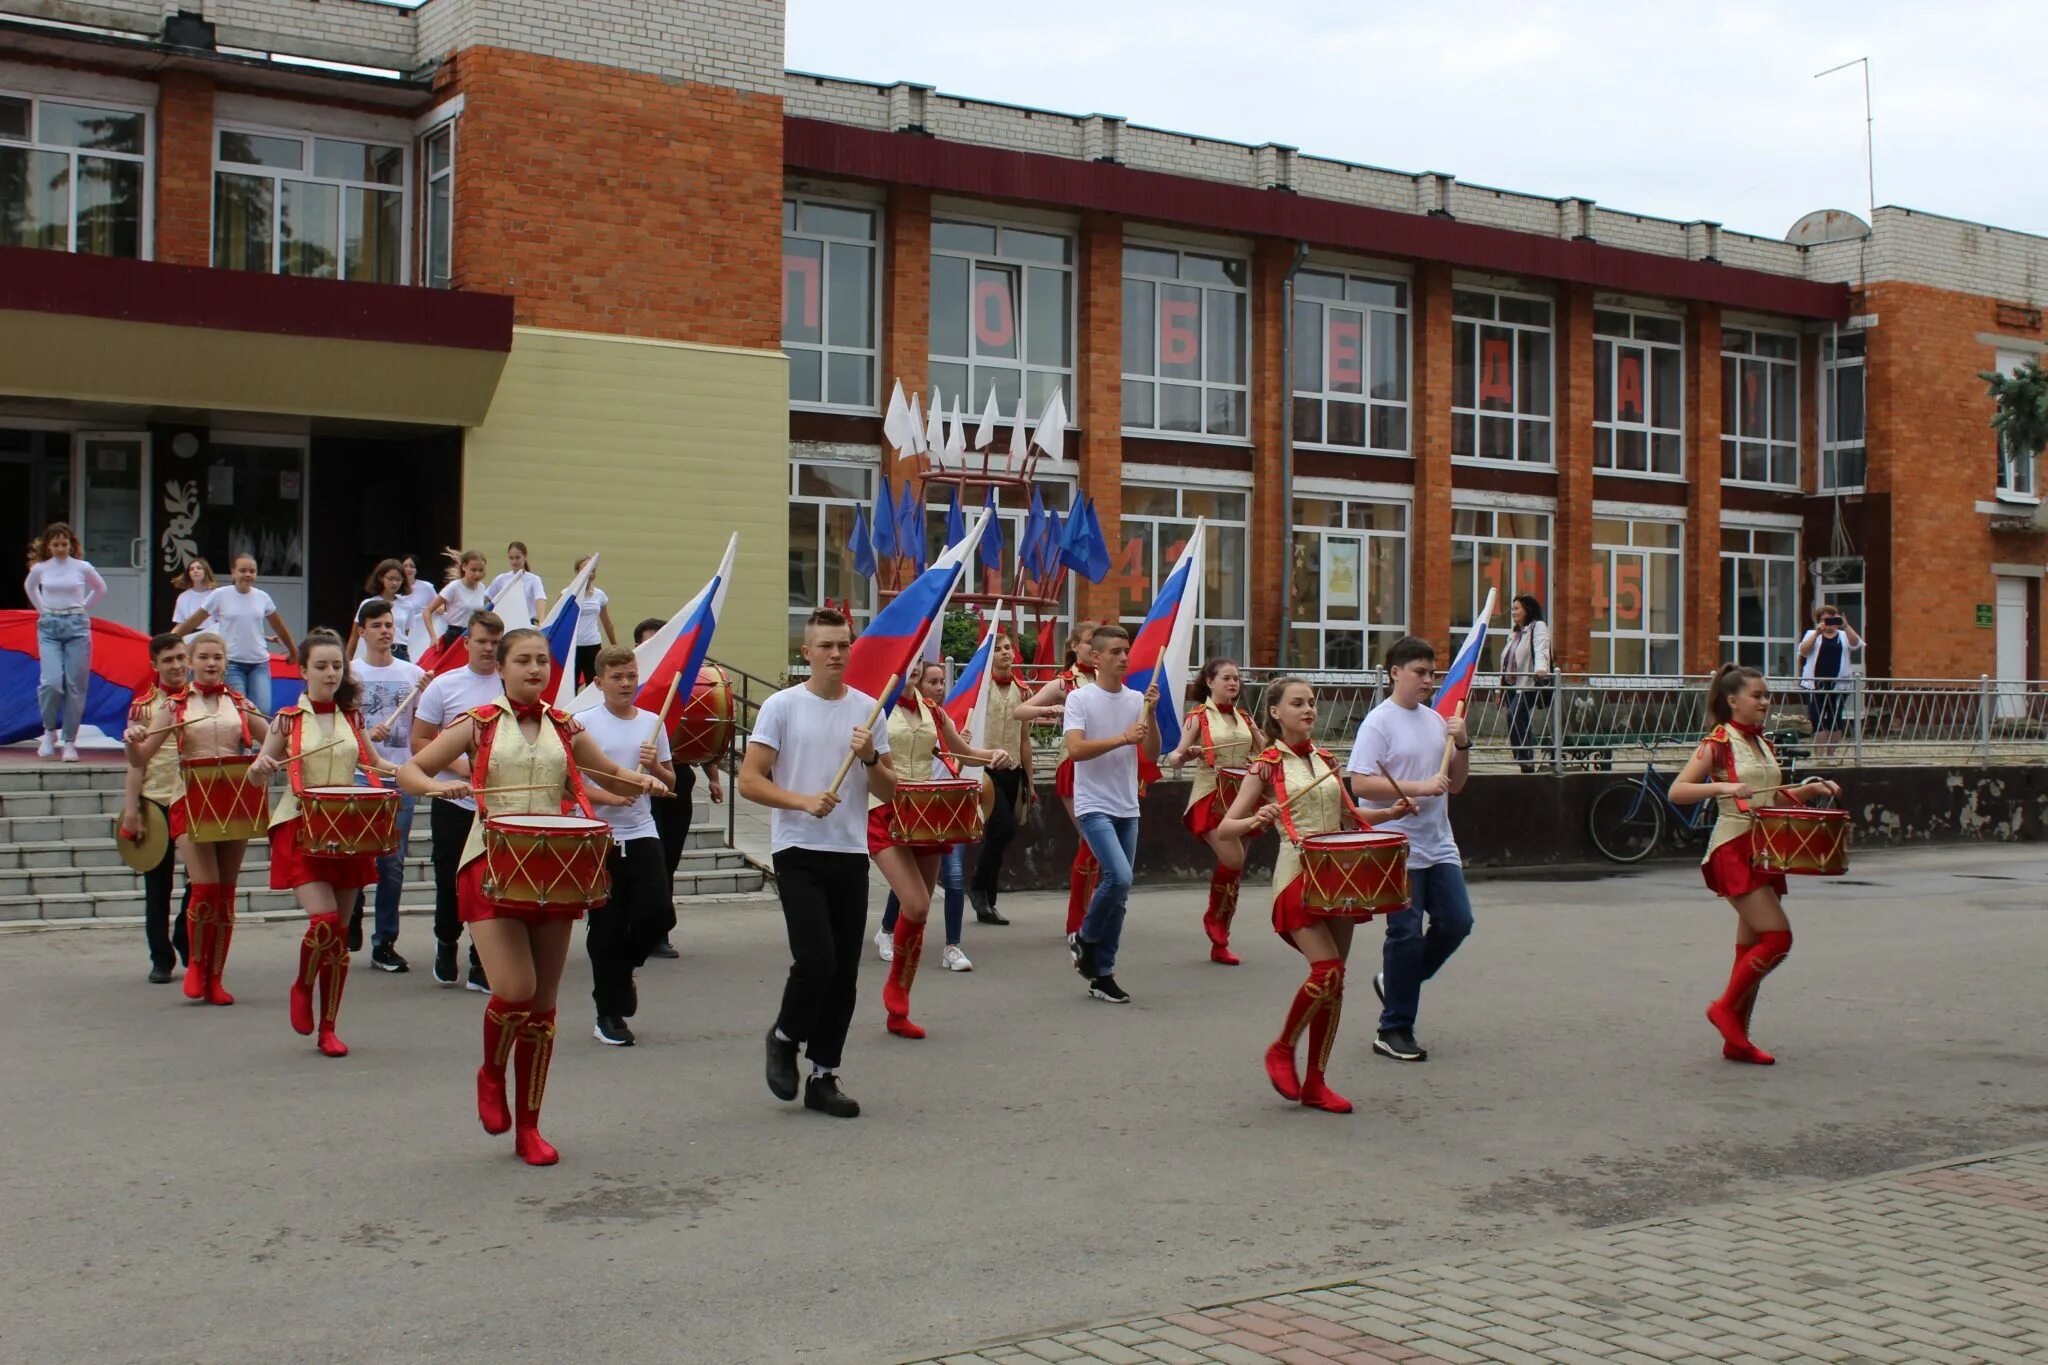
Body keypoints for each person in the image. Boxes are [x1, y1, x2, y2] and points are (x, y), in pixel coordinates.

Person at [399, 627, 667, 1164]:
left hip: (554, 871)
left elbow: (604, 774)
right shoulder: (475, 724)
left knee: (543, 1009)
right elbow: (412, 768)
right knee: (516, 990)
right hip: (490, 864)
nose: (534, 669)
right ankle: (491, 1073)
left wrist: (643, 781)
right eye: (522, 660)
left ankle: (530, 1127)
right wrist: (436, 787)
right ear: (500, 667)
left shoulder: (566, 727)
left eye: (542, 661)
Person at [1217, 677, 1416, 1113]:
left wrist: (1389, 813)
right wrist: (1257, 818)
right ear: (1274, 712)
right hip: (1297, 876)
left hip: (1337, 877)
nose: (1308, 710)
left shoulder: (1327, 760)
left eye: (1311, 703)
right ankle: (1282, 1048)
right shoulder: (1265, 765)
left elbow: (1349, 814)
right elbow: (1225, 827)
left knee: (1335, 982)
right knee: (1325, 971)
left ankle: (1316, 1083)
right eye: (1297, 703)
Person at [742, 607, 891, 1119]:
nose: (834, 654)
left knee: (844, 972)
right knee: (817, 959)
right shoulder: (782, 707)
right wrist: (801, 800)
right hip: (798, 848)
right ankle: (785, 1036)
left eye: (842, 645)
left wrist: (871, 757)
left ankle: (824, 1075)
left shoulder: (869, 710)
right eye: (824, 646)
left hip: (849, 851)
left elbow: (890, 790)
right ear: (805, 653)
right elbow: (750, 780)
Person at [1670, 665, 1841, 1065]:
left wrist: (1810, 788)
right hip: (1733, 846)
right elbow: (1678, 791)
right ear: (1733, 700)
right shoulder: (1717, 742)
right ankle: (1725, 1009)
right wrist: (1723, 786)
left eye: (1767, 695)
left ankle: (1737, 1039)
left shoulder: (1763, 743)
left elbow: (1771, 797)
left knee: (1749, 948)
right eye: (1757, 695)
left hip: (1764, 848)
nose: (1765, 701)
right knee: (1777, 939)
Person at [247, 631, 399, 1059]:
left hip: (347, 830)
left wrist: (421, 776)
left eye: (337, 666)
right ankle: (302, 984)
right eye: (321, 666)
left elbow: (375, 764)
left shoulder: (353, 718)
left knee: (338, 938)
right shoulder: (286, 720)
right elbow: (258, 774)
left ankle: (329, 1026)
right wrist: (260, 766)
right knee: (325, 923)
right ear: (303, 671)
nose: (331, 673)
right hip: (300, 825)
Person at [1345, 635, 1473, 1064]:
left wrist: (1464, 744)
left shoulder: (1438, 721)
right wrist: (1418, 787)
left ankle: (1397, 981)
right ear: (1395, 673)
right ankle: (1394, 1027)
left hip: (1439, 842)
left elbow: (1457, 784)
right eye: (1420, 672)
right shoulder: (1378, 723)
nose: (1428, 681)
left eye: (1432, 673)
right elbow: (1359, 783)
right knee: (1404, 932)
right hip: (1393, 844)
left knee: (1457, 921)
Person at [871, 660, 1015, 1029]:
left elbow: (959, 750)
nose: (915, 669)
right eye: (911, 662)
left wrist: (993, 755)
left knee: (919, 912)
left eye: (920, 662)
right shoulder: (875, 705)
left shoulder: (931, 709)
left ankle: (899, 1005)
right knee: (916, 904)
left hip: (928, 813)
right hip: (886, 810)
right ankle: (895, 996)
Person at [131, 631, 270, 1006]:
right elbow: (141, 756)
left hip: (235, 800)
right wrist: (132, 740)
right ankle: (195, 964)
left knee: (226, 893)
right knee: (205, 887)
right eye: (204, 657)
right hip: (189, 798)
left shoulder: (239, 702)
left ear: (226, 662)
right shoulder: (174, 705)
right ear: (191, 661)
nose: (211, 664)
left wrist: (269, 754)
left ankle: (216, 975)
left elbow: (275, 738)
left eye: (218, 657)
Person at [577, 645, 676, 1047]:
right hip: (598, 836)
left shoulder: (652, 723)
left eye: (631, 676)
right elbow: (572, 784)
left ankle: (622, 971)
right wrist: (610, 798)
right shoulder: (581, 725)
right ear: (599, 682)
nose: (626, 684)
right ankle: (609, 1013)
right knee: (607, 925)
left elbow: (671, 783)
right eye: (617, 677)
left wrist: (654, 767)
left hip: (641, 831)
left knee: (658, 914)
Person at [1062, 625, 1159, 1005]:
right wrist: (1122, 738)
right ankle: (1084, 937)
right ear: (1096, 658)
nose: (1124, 657)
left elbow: (1151, 751)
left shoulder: (1137, 698)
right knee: (1118, 877)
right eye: (1116, 651)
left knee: (1119, 895)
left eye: (1127, 651)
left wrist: (1150, 714)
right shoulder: (1080, 699)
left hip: (1127, 805)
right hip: (1093, 804)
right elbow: (1076, 750)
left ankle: (1103, 974)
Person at [411, 612, 506, 992]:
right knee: (451, 882)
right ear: (466, 642)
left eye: (496, 643)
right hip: (454, 801)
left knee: (491, 883)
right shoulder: (444, 686)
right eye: (482, 640)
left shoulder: (510, 686)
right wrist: (463, 769)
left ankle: (482, 960)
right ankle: (446, 940)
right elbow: (420, 742)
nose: (488, 648)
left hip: (498, 806)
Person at [1162, 657, 1265, 965]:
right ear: (1209, 681)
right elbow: (1174, 757)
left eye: (1236, 678)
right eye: (1227, 678)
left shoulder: (1245, 717)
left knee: (1235, 871)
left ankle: (1221, 941)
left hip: (1244, 797)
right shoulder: (1198, 717)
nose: (1233, 683)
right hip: (1211, 795)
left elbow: (1267, 752)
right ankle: (1214, 923)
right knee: (1233, 860)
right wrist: (1185, 755)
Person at [632, 617, 725, 960]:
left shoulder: (681, 686)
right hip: (636, 785)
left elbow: (704, 726)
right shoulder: (632, 685)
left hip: (676, 783)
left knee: (667, 861)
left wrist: (714, 776)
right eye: (650, 643)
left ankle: (659, 933)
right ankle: (630, 925)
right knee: (644, 861)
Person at [1013, 623, 1101, 957]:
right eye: (1090, 643)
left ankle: (1089, 914)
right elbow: (1020, 710)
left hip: (1105, 767)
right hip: (1076, 766)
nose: (1096, 648)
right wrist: (1048, 710)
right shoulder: (1065, 682)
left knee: (1099, 846)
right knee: (1091, 841)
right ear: (1075, 646)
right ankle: (1077, 922)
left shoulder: (1108, 682)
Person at [348, 600, 425, 972]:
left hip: (399, 776)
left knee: (391, 863)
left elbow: (426, 726)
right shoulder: (348, 674)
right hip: (358, 775)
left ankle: (385, 941)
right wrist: (364, 734)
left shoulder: (414, 674)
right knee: (356, 856)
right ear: (361, 631)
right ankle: (352, 909)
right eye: (376, 624)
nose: (385, 631)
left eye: (389, 624)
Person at [120, 633, 192, 982]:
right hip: (156, 801)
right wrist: (131, 811)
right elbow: (136, 762)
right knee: (158, 887)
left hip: (196, 801)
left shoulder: (205, 700)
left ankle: (184, 935)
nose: (177, 666)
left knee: (201, 882)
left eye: (181, 657)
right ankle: (160, 959)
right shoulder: (143, 706)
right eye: (168, 660)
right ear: (155, 666)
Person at [24, 521, 107, 762]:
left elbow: (100, 588)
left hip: (77, 626)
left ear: (71, 544)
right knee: (51, 682)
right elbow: (30, 587)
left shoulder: (82, 567)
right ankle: (49, 732)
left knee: (75, 685)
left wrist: (83, 608)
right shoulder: (41, 568)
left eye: (64, 543)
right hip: (50, 625)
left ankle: (69, 741)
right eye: (56, 544)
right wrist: (42, 609)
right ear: (48, 546)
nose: (61, 548)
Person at [175, 552, 295, 717]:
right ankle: (239, 743)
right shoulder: (220, 595)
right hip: (232, 663)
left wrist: (293, 651)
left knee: (262, 710)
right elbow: (193, 621)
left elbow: (280, 627)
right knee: (240, 710)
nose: (247, 574)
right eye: (243, 570)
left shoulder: (262, 597)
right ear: (233, 572)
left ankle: (255, 744)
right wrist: (171, 640)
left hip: (259, 664)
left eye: (252, 571)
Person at [966, 629, 1031, 927]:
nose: (1006, 652)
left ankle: (986, 900)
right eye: (999, 649)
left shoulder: (1023, 690)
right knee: (1002, 828)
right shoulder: (980, 689)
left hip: (1013, 770)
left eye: (1008, 648)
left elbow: (1025, 740)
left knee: (1001, 833)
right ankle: (979, 887)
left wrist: (1028, 780)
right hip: (986, 769)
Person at [1798, 604, 1865, 756]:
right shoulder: (1812, 634)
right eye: (1824, 620)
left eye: (1832, 619)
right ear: (1818, 621)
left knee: (1835, 717)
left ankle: (1831, 753)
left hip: (1839, 685)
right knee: (1817, 717)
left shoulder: (1843, 635)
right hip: (1815, 685)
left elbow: (1855, 643)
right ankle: (1819, 754)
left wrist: (1846, 626)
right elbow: (1803, 651)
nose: (1828, 623)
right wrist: (1817, 633)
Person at [1501, 594, 1552, 773]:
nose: (1513, 612)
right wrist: (1501, 686)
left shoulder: (1538, 627)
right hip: (1513, 685)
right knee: (1521, 719)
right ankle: (1527, 761)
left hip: (1529, 683)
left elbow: (1541, 648)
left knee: (1513, 714)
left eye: (1517, 608)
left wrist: (1541, 669)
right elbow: (1507, 659)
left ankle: (1525, 758)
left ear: (1528, 610)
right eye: (1512, 609)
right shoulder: (1515, 633)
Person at [346, 559, 414, 662]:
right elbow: (354, 636)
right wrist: (346, 663)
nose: (394, 583)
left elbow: (404, 634)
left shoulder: (407, 606)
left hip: (400, 653)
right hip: (376, 652)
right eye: (390, 578)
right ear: (381, 578)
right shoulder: (368, 603)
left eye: (398, 579)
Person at [424, 549, 490, 650]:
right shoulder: (454, 587)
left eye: (481, 570)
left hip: (474, 634)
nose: (477, 574)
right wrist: (433, 637)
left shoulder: (481, 587)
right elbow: (427, 612)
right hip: (455, 635)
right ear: (464, 567)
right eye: (473, 570)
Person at [569, 556, 616, 687]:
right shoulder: (567, 594)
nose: (589, 573)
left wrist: (614, 645)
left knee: (594, 684)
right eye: (585, 569)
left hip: (593, 645)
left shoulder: (599, 595)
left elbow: (607, 623)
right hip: (574, 647)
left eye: (592, 570)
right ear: (577, 572)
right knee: (571, 685)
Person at [485, 541, 547, 631]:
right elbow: (487, 598)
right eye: (511, 558)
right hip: (506, 624)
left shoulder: (534, 580)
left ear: (525, 557)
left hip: (527, 624)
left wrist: (541, 621)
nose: (514, 561)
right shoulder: (501, 579)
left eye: (517, 558)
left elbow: (540, 599)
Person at [397, 555, 440, 661]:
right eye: (405, 566)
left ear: (417, 569)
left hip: (421, 634)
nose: (408, 569)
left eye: (412, 566)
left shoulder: (426, 587)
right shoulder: (395, 586)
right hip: (400, 634)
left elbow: (439, 605)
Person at [170, 558, 216, 631]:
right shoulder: (183, 597)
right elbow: (180, 623)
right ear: (189, 574)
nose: (195, 571)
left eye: (199, 568)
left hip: (211, 634)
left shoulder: (215, 594)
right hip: (189, 635)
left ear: (205, 572)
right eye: (192, 569)